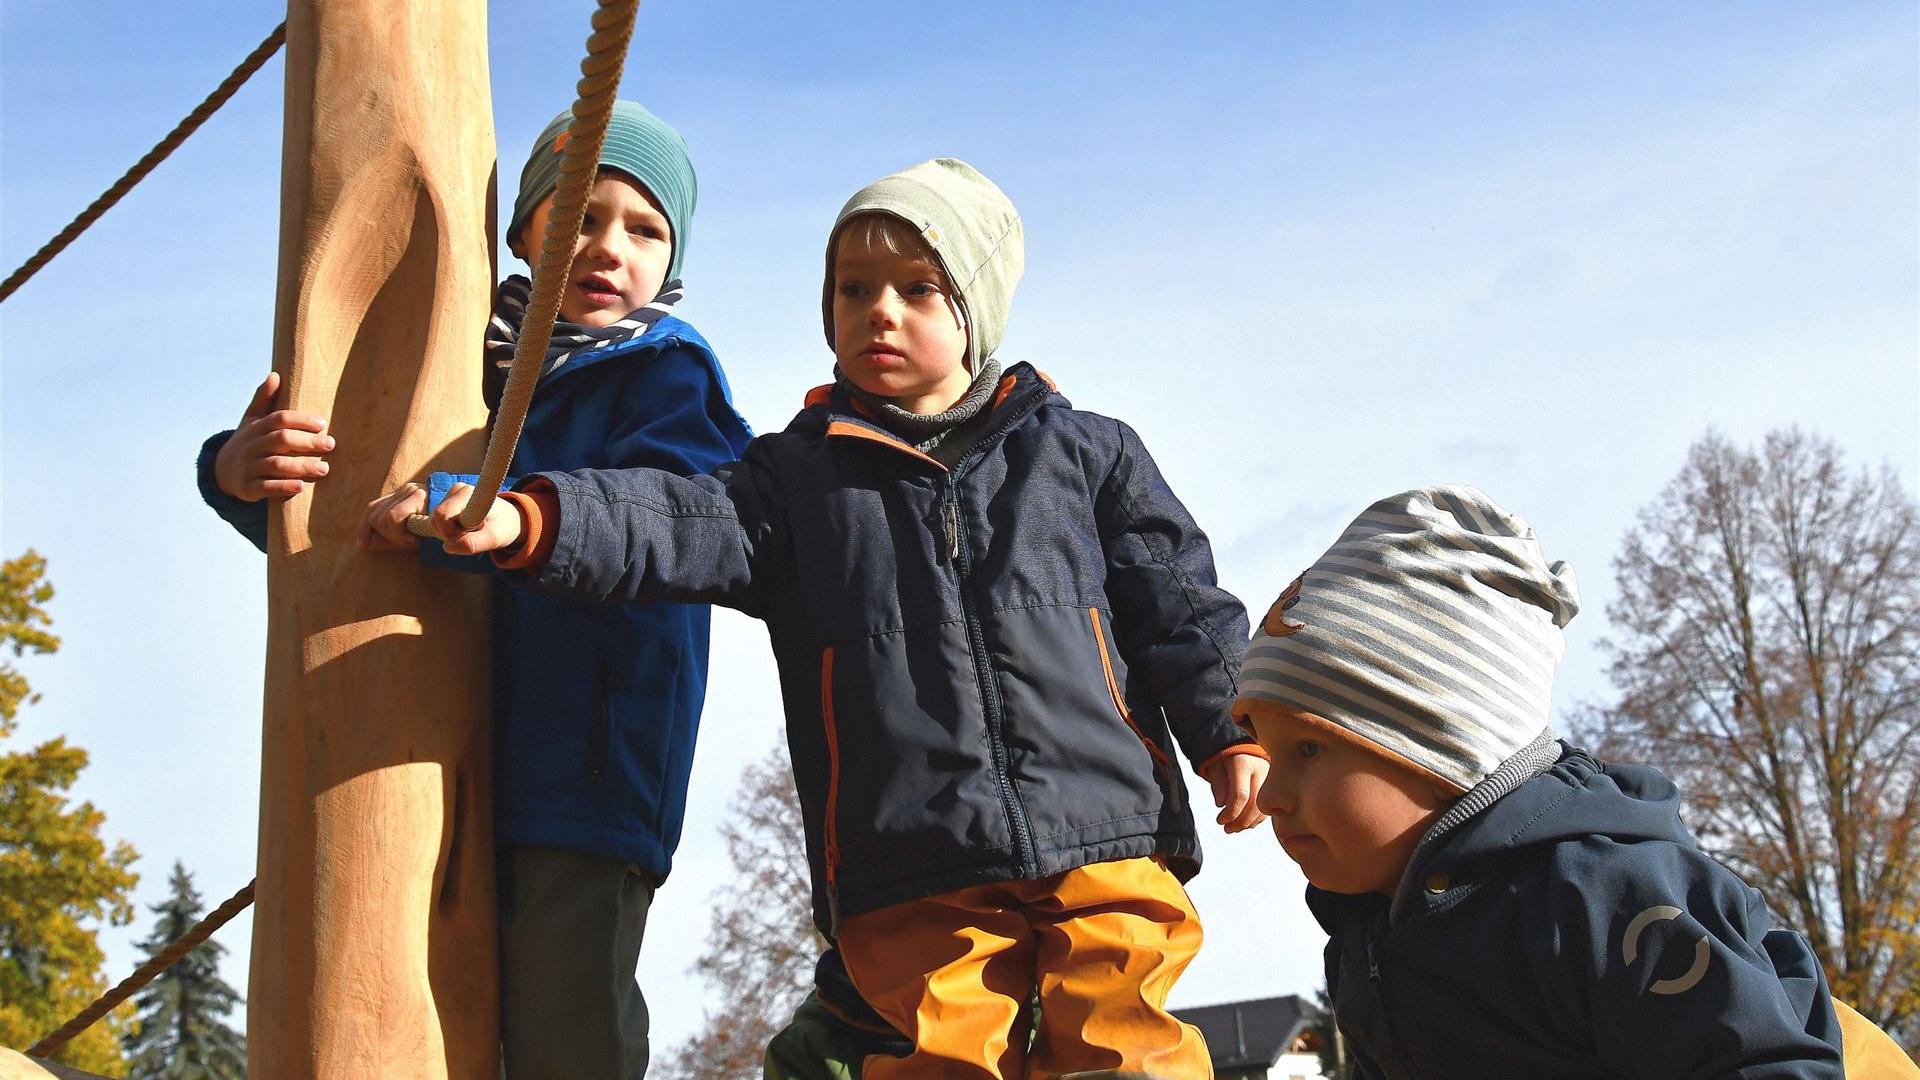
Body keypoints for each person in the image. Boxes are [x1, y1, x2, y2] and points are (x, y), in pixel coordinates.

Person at [406, 157, 1268, 1078]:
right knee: (943, 1058)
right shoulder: (799, 481)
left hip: (1105, 826)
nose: (879, 312)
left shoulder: (1085, 454)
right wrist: (532, 517)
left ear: (975, 314)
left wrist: (1232, 728)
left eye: (918, 290)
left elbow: (1180, 602)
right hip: (912, 856)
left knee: (1125, 1042)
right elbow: (673, 519)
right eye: (854, 290)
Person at [199, 101, 752, 1079]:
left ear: (674, 260)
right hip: (426, 750)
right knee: (397, 1018)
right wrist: (236, 474)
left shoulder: (667, 378)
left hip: (581, 779)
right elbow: (359, 529)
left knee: (562, 1034)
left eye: (644, 229)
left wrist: (503, 509)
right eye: (578, 214)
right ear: (523, 231)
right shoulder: (462, 361)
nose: (608, 246)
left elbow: (675, 519)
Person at [1236, 485, 1849, 1078]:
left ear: (1441, 747)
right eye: (1268, 752)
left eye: (1308, 749)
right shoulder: (1367, 938)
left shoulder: (1601, 896)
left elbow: (1760, 1059)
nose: (1269, 795)